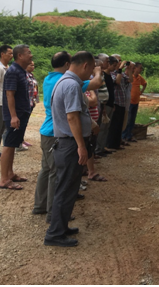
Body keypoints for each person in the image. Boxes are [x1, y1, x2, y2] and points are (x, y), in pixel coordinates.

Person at [33, 51, 100, 223]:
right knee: (58, 175)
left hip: (47, 130)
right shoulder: (69, 83)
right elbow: (74, 113)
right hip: (58, 132)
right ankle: (53, 214)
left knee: (47, 170)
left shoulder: (50, 79)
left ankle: (41, 206)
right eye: (90, 67)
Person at [0, 44, 33, 190]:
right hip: (15, 115)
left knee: (13, 145)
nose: (31, 55)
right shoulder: (13, 72)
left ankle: (10, 173)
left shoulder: (20, 71)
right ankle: (4, 179)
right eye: (29, 53)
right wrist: (13, 116)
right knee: (8, 144)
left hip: (21, 113)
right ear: (21, 56)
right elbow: (9, 94)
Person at [106, 59, 131, 151]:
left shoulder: (122, 74)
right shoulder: (112, 74)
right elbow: (117, 82)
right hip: (116, 102)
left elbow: (130, 80)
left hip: (122, 102)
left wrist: (130, 69)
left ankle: (116, 143)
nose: (120, 63)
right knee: (114, 125)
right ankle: (110, 144)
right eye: (118, 62)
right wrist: (119, 69)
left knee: (119, 125)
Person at [95, 55, 117, 156]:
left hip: (107, 104)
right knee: (101, 128)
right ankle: (97, 149)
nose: (108, 64)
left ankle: (101, 147)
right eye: (107, 62)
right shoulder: (99, 76)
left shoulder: (105, 75)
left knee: (105, 127)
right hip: (103, 105)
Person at [122, 62, 146, 143]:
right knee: (127, 120)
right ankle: (123, 136)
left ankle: (129, 136)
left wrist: (141, 92)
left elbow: (145, 84)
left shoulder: (139, 77)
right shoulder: (129, 77)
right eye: (140, 68)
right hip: (129, 102)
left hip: (136, 101)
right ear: (135, 68)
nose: (141, 70)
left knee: (132, 120)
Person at [18, 60, 39, 151]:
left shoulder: (31, 75)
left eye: (33, 65)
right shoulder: (24, 76)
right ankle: (17, 143)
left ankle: (21, 140)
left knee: (25, 123)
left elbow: (34, 89)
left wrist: (35, 100)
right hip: (24, 104)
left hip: (30, 102)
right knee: (21, 124)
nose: (32, 67)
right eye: (30, 65)